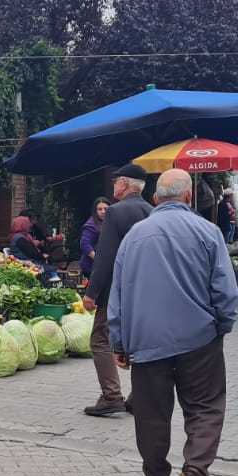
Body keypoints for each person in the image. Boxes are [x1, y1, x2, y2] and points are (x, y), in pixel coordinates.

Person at [107, 169, 238, 476]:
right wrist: (221, 325)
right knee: (206, 405)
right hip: (199, 337)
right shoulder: (207, 231)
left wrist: (118, 342)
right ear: (189, 197)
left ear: (155, 199)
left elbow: (117, 294)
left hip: (146, 339)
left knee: (151, 412)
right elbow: (225, 291)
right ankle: (195, 467)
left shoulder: (134, 236)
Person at [82, 164, 152, 416]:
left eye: (115, 182)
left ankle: (111, 395)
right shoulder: (151, 211)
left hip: (116, 290)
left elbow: (105, 256)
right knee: (140, 343)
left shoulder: (116, 212)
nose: (113, 187)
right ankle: (137, 397)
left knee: (100, 339)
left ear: (124, 184)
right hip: (145, 290)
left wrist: (92, 292)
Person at [79, 197, 109, 284]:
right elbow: (84, 244)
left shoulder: (109, 222)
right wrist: (98, 259)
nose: (103, 212)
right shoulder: (91, 225)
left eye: (106, 209)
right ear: (95, 211)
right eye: (100, 209)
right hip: (91, 266)